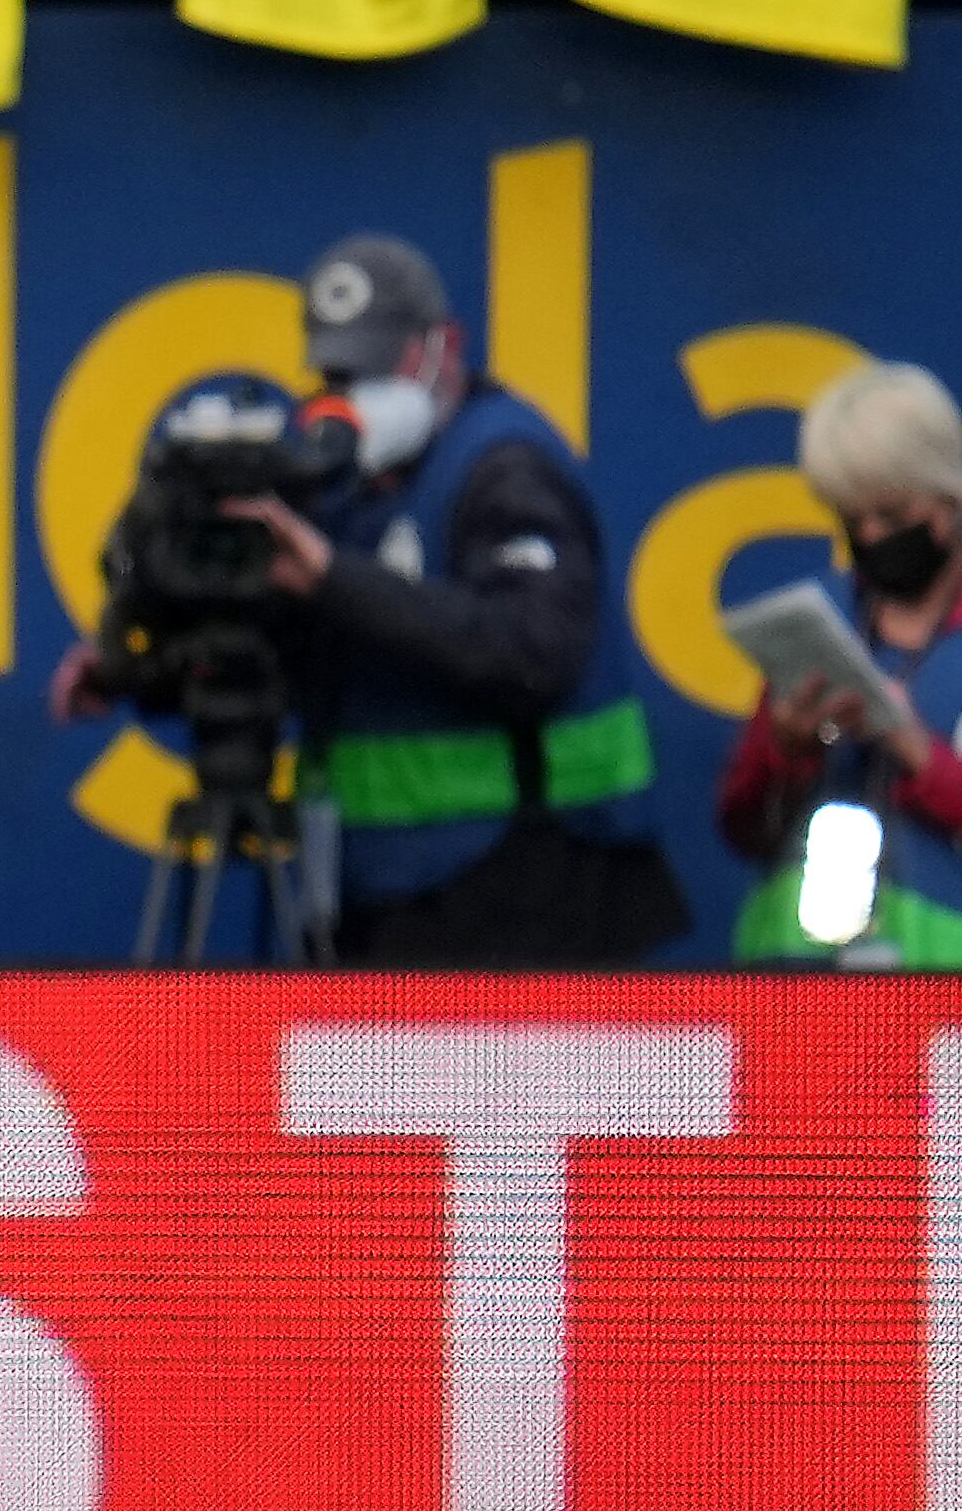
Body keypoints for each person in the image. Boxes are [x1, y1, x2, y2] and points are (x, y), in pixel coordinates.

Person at [51, 234, 690, 964]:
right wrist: (134, 668)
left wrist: (333, 576)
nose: (353, 394)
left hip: (528, 886)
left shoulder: (504, 466)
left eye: (378, 366)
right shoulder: (336, 486)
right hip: (387, 891)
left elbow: (532, 652)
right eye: (335, 372)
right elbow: (294, 660)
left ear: (444, 347)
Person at [716, 359, 962, 966]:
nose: (873, 536)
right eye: (854, 519)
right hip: (793, 988)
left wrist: (913, 751)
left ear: (949, 500)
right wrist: (786, 747)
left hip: (940, 1002)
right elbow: (741, 827)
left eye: (894, 516)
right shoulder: (817, 625)